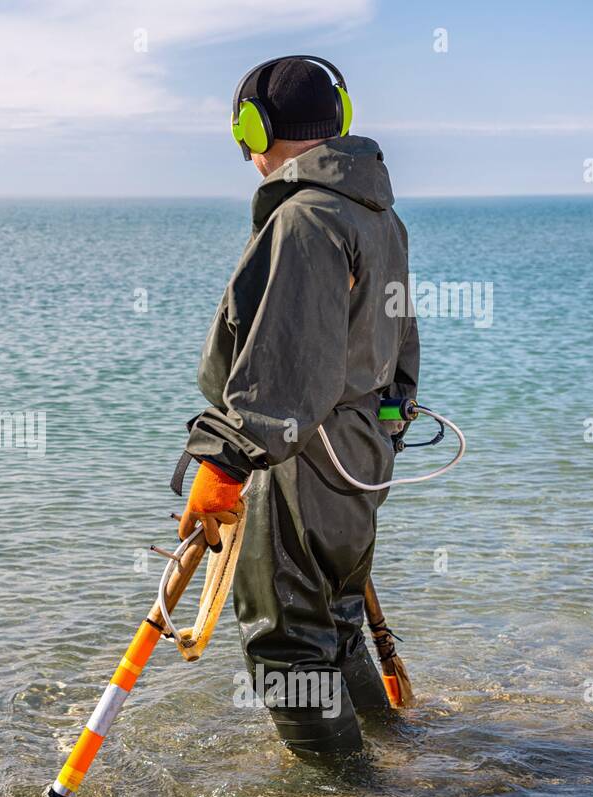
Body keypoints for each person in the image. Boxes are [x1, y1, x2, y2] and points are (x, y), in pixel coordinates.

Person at [176, 55, 419, 756]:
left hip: (299, 456)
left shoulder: (308, 219)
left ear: (252, 128)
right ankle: (393, 756)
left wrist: (223, 463)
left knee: (286, 641)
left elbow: (288, 367)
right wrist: (388, 427)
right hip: (360, 450)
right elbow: (403, 340)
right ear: (338, 119)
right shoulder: (377, 215)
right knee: (335, 618)